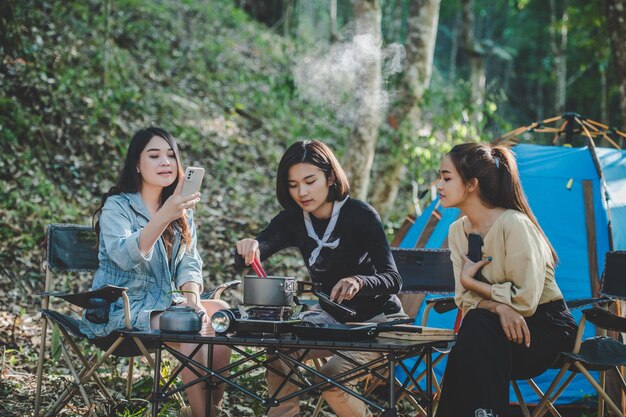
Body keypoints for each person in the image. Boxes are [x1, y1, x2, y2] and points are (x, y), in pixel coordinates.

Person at [234, 139, 405, 417]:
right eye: (293, 185)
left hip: (377, 322)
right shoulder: (292, 219)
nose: (302, 192)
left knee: (331, 379)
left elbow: (393, 279)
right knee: (279, 348)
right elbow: (258, 249)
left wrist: (360, 281)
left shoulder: (360, 216)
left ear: (329, 177)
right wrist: (248, 247)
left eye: (310, 181)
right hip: (330, 319)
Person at [80, 127, 230, 417]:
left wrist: (192, 297)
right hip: (121, 308)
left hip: (164, 303)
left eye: (171, 155)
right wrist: (164, 216)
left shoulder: (180, 209)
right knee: (186, 326)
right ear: (137, 164)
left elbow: (189, 261)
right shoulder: (117, 207)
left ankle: (210, 409)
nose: (165, 162)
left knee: (220, 312)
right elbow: (124, 256)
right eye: (154, 155)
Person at [434, 143, 577, 417]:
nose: (439, 184)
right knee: (477, 327)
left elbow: (525, 301)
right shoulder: (457, 232)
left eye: (446, 177)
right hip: (492, 329)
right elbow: (463, 301)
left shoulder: (515, 225)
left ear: (472, 184)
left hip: (544, 329)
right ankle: (483, 413)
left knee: (476, 332)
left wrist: (475, 284)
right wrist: (499, 307)